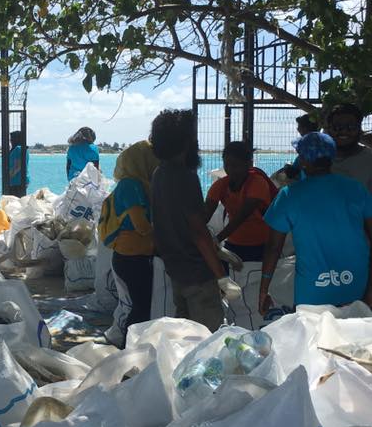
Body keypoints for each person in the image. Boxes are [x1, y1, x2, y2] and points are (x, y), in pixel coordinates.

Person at [259, 132, 372, 313]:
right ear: (332, 157)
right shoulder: (355, 188)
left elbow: (273, 246)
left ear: (302, 160)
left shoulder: (289, 195)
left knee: (313, 338)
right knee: (355, 336)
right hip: (356, 286)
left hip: (313, 292)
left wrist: (264, 290)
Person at [149, 109, 242, 330]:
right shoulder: (184, 177)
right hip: (198, 276)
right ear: (185, 142)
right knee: (207, 340)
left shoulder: (158, 174)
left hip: (176, 271)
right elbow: (197, 231)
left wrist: (217, 248)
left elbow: (168, 224)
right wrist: (221, 277)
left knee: (186, 337)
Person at [99, 141, 159, 348]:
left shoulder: (139, 184)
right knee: (140, 307)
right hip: (131, 258)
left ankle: (132, 347)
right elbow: (141, 225)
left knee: (140, 304)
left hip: (136, 255)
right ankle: (129, 349)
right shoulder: (131, 185)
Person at [205, 141, 278, 263]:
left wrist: (216, 241)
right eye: (227, 165)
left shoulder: (258, 183)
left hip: (262, 244)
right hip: (233, 243)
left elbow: (241, 216)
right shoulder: (220, 186)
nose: (230, 169)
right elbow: (204, 216)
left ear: (249, 164)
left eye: (235, 165)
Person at [9, 130, 29, 197]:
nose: (10, 141)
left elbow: (18, 166)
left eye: (11, 139)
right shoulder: (24, 148)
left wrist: (9, 176)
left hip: (16, 181)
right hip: (21, 181)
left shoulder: (18, 149)